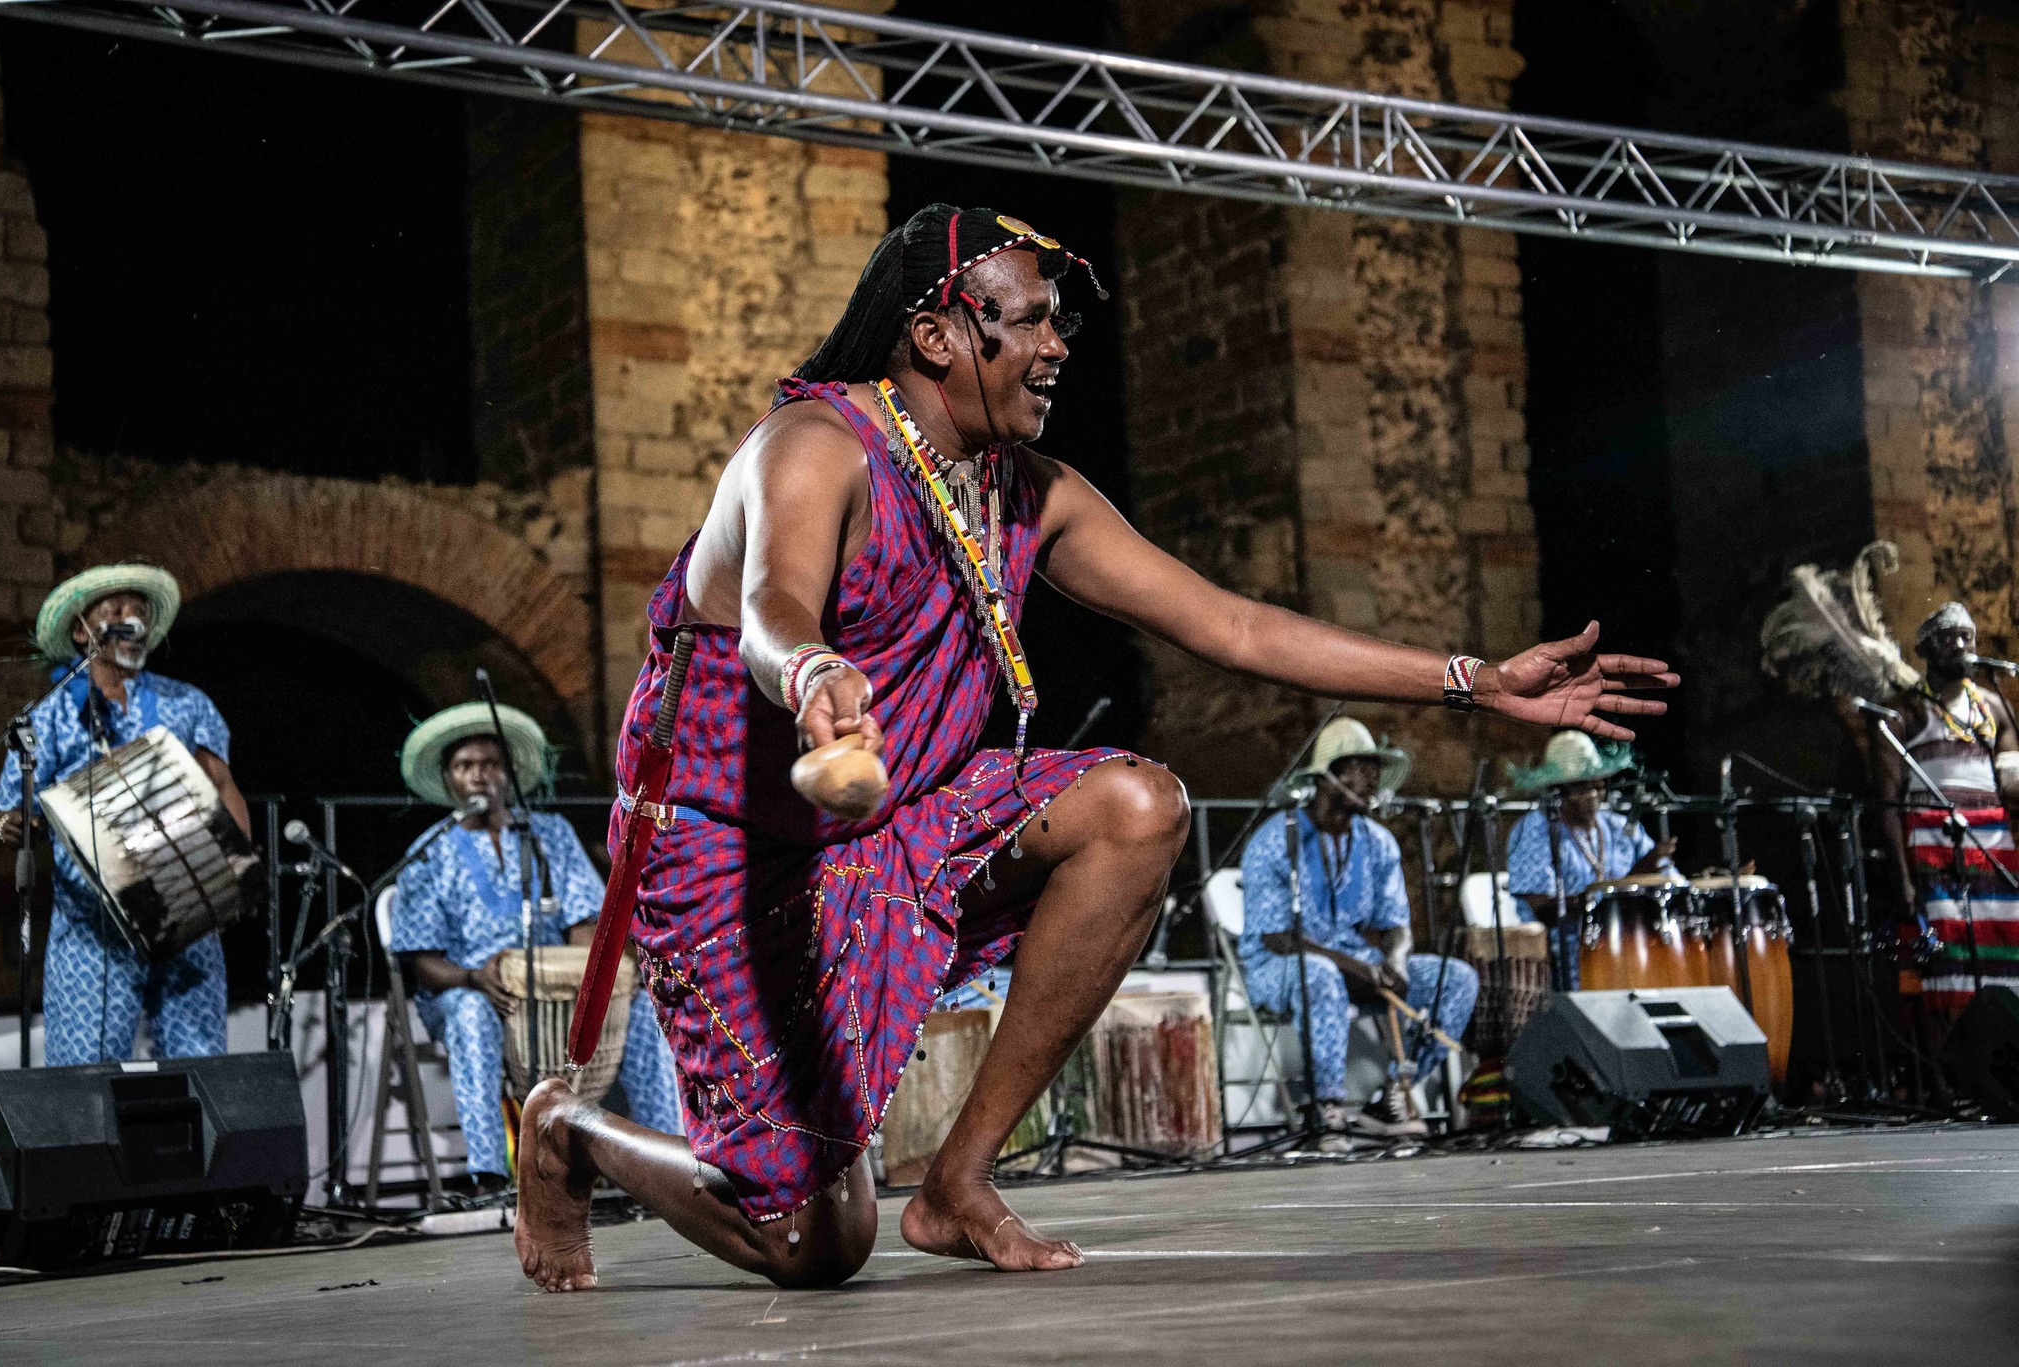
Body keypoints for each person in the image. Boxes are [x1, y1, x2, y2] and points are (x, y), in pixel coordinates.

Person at [513, 204, 1676, 1292]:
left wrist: (1472, 680)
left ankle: (960, 1180)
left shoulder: (1033, 493)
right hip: (724, 842)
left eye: (1056, 321)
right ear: (935, 332)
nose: (1058, 344)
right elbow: (771, 605)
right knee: (816, 1242)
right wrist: (813, 671)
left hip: (897, 812)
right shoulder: (814, 444)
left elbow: (1232, 624)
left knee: (1137, 805)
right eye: (1028, 319)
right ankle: (570, 1128)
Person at [388, 703, 681, 1193]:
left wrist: (581, 979)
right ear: (447, 779)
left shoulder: (551, 836)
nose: (479, 776)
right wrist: (472, 978)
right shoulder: (428, 853)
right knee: (468, 1014)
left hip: (555, 990)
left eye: (490, 764)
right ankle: (490, 1175)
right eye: (464, 766)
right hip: (473, 991)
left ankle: (666, 1162)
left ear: (511, 773)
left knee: (641, 1006)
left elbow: (587, 925)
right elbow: (422, 962)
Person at [0, 563, 250, 1065]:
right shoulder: (48, 714)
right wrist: (15, 824)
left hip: (186, 910)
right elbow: (7, 809)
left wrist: (236, 874)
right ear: (79, 629)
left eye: (139, 612)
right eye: (113, 611)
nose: (130, 619)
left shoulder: (187, 703)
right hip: (94, 931)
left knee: (199, 1068)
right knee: (86, 1075)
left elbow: (222, 786)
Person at [1238, 717, 1478, 1137]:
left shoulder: (1377, 841)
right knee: (1320, 975)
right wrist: (1354, 967)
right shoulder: (1278, 839)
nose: (1373, 781)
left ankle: (1392, 1095)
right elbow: (1278, 938)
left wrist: (1397, 962)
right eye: (1361, 769)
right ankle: (1327, 1107)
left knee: (1455, 979)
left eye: (1375, 770)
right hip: (1280, 967)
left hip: (1354, 963)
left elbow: (1396, 924)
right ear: (1329, 777)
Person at [1872, 602, 2019, 1016]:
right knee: (1945, 962)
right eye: (1946, 637)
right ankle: (1949, 1070)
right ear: (1924, 650)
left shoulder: (1994, 710)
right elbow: (1889, 802)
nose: (1958, 644)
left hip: (1992, 849)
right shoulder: (1903, 712)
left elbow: (2010, 782)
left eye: (1966, 636)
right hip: (1931, 849)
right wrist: (1903, 879)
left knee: (2003, 958)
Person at [1505, 729, 1675, 988]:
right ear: (1557, 791)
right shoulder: (1536, 831)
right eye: (1583, 787)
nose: (1595, 794)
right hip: (1565, 957)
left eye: (1599, 784)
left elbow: (1669, 879)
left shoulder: (1618, 827)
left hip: (1627, 943)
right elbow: (1544, 909)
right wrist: (1623, 887)